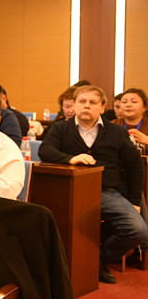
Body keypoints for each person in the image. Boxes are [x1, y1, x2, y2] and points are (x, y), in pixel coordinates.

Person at [39, 85, 148, 284]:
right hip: (70, 192)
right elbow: (45, 150)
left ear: (103, 107)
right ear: (74, 105)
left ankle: (97, 259)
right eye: (82, 101)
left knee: (137, 230)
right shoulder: (61, 128)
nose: (86, 106)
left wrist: (134, 201)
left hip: (106, 192)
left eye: (92, 102)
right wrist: (70, 158)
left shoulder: (116, 131)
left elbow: (135, 166)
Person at [115, 88, 148, 155]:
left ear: (145, 107)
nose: (128, 105)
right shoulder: (112, 125)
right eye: (124, 102)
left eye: (134, 102)